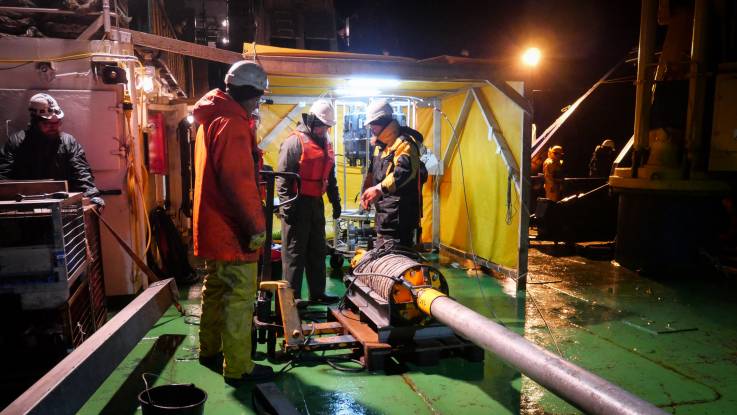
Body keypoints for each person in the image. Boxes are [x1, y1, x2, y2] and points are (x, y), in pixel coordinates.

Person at [192, 60, 273, 382]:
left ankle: (209, 350)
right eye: (258, 96)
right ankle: (239, 368)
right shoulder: (233, 123)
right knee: (239, 297)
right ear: (249, 93)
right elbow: (238, 181)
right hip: (232, 228)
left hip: (212, 225)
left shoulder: (210, 119)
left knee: (215, 289)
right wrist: (255, 227)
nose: (257, 103)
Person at [276, 99, 341, 305]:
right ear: (312, 121)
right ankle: (291, 300)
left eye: (328, 126)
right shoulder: (294, 142)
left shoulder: (325, 142)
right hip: (297, 204)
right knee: (295, 254)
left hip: (316, 204)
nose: (325, 130)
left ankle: (317, 293)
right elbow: (283, 178)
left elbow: (329, 176)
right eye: (323, 125)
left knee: (317, 250)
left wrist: (335, 201)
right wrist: (288, 208)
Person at [0, 93, 104, 208]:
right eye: (47, 123)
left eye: (57, 122)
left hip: (63, 206)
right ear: (35, 122)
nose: (54, 127)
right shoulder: (16, 142)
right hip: (26, 208)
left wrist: (92, 195)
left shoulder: (68, 142)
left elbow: (80, 172)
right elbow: (4, 176)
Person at [360, 100, 425, 247]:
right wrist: (365, 193)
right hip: (385, 217)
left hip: (400, 219)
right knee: (383, 259)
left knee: (396, 262)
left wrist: (378, 189)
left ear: (382, 121)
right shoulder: (381, 146)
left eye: (373, 124)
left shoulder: (405, 144)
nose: (371, 128)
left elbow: (403, 172)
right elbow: (372, 172)